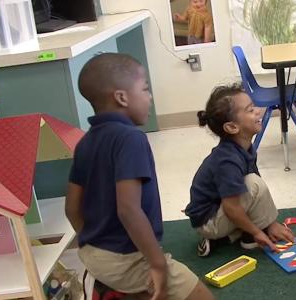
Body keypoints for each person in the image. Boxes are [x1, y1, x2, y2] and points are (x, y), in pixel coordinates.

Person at [65, 53, 213, 300]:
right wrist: (157, 264)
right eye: (145, 89)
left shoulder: (85, 143)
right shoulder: (130, 138)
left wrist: (95, 247)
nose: (150, 97)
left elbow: (71, 208)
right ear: (122, 97)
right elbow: (128, 210)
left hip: (92, 254)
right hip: (126, 258)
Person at [185, 83, 295, 257]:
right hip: (209, 221)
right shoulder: (227, 161)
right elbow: (232, 207)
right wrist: (260, 231)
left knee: (253, 183)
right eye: (250, 110)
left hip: (218, 209)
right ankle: (246, 235)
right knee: (253, 184)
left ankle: (231, 236)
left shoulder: (244, 148)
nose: (258, 111)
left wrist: (270, 222)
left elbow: (255, 194)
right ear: (232, 127)